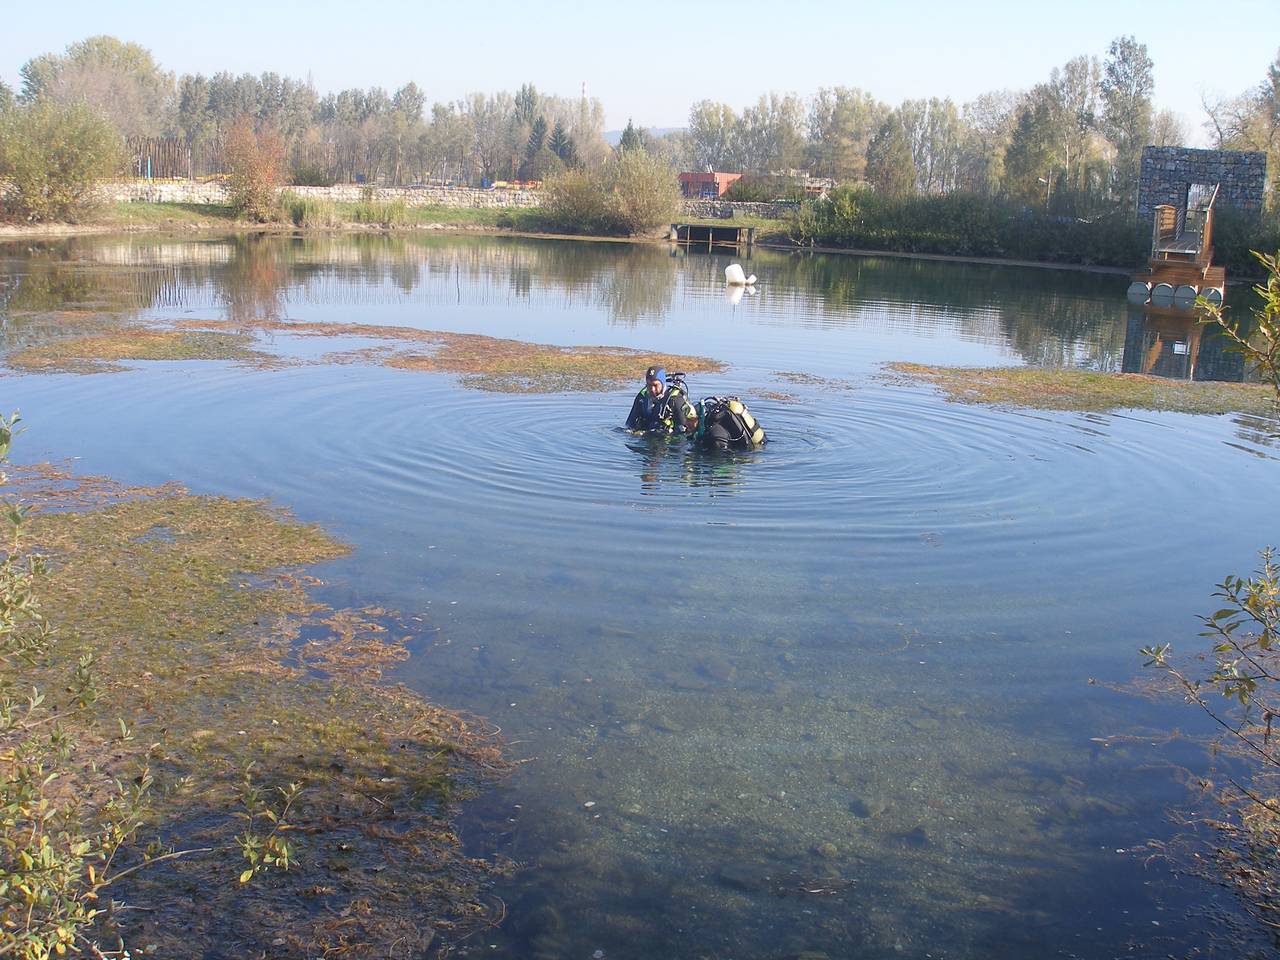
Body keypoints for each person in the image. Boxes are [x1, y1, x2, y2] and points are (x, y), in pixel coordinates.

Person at [625, 366, 696, 435]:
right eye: (649, 385)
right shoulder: (642, 397)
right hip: (647, 435)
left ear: (662, 383)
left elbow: (684, 431)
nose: (652, 389)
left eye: (655, 385)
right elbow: (630, 423)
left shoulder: (675, 399)